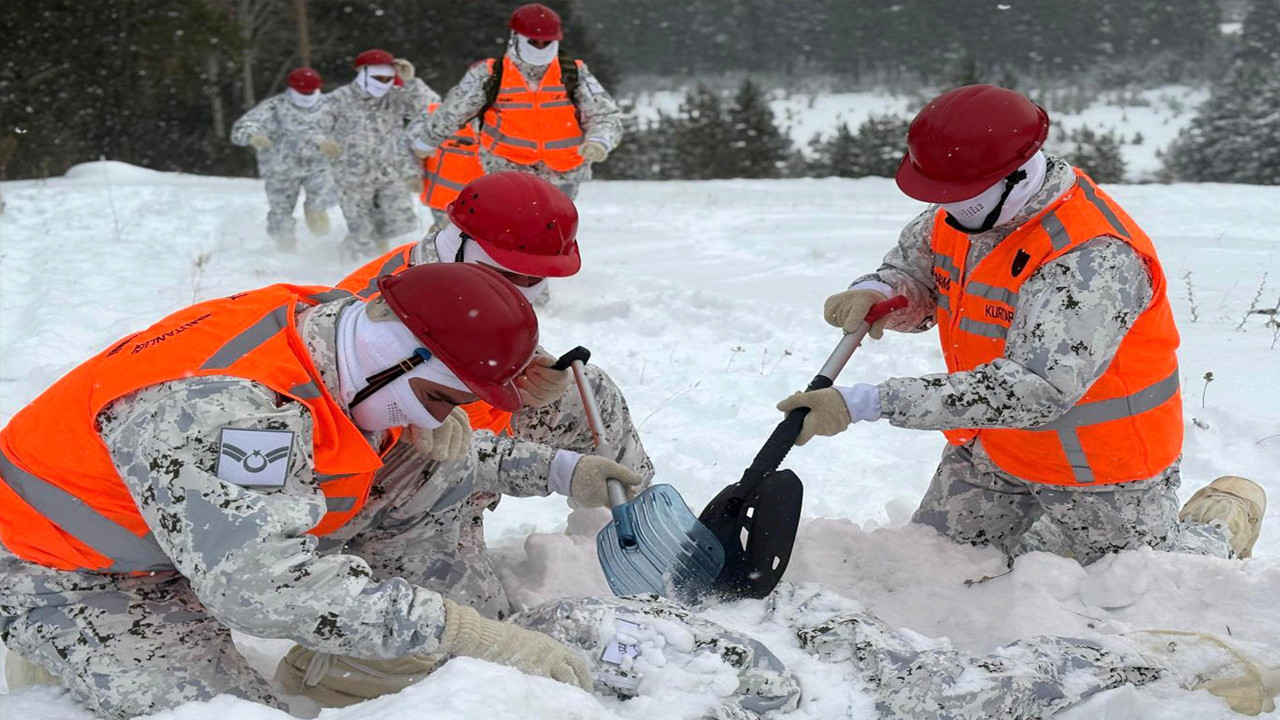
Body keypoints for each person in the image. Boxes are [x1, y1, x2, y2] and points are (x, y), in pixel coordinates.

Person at [0, 263, 648, 719]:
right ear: (403, 355)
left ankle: (370, 653)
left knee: (432, 461)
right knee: (229, 716)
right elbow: (261, 587)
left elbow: (405, 438)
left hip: (201, 527)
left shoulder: (341, 333)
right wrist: (466, 635)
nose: (431, 418)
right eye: (438, 398)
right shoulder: (236, 413)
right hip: (75, 572)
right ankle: (59, 659)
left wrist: (562, 470)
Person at [776, 85, 1266, 566]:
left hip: (1100, 465)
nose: (947, 207)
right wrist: (881, 292)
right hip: (993, 444)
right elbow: (918, 269)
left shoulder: (1092, 257)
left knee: (1143, 585)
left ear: (1017, 174)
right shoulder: (965, 212)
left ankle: (1220, 520)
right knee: (933, 566)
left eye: (960, 195)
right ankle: (1050, 529)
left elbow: (1036, 389)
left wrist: (869, 402)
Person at [408, 3, 623, 201]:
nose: (540, 47)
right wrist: (426, 141)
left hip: (564, 173)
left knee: (553, 232)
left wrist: (599, 140)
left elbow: (604, 114)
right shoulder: (489, 74)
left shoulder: (574, 73)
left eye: (547, 42)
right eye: (533, 41)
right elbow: (453, 112)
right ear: (515, 37)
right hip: (506, 169)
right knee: (511, 232)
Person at [318, 49, 439, 259]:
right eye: (377, 78)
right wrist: (323, 142)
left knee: (395, 224)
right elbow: (314, 125)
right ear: (362, 73)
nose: (383, 83)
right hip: (352, 175)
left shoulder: (395, 97)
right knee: (361, 231)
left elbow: (433, 108)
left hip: (389, 172)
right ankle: (347, 266)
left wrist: (411, 82)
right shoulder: (339, 99)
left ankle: (377, 260)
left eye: (387, 78)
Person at [230, 67, 340, 252]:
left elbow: (353, 128)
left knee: (321, 203)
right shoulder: (275, 107)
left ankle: (322, 244)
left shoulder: (330, 106)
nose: (307, 94)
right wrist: (252, 136)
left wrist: (337, 144)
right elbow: (243, 127)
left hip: (318, 166)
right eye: (303, 91)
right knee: (281, 211)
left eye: (311, 90)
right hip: (281, 168)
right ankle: (284, 246)